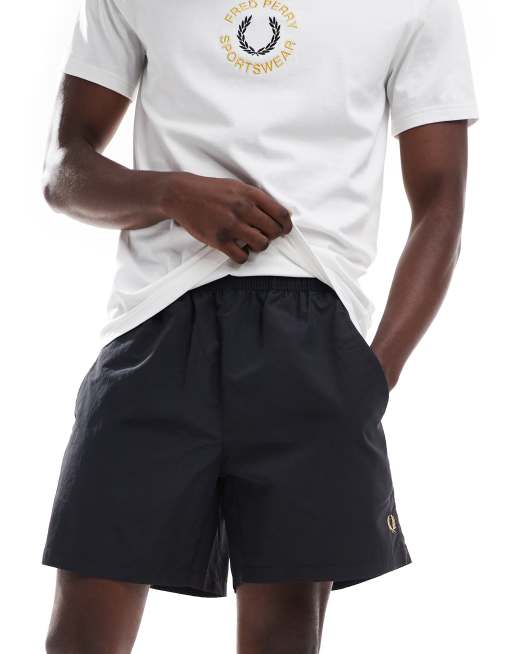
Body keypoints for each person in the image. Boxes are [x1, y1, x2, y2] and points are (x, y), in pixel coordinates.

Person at [41, 1, 478, 652]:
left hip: (313, 335)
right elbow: (64, 169)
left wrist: (373, 375)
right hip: (154, 323)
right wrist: (171, 195)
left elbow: (441, 205)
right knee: (79, 638)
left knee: (283, 638)